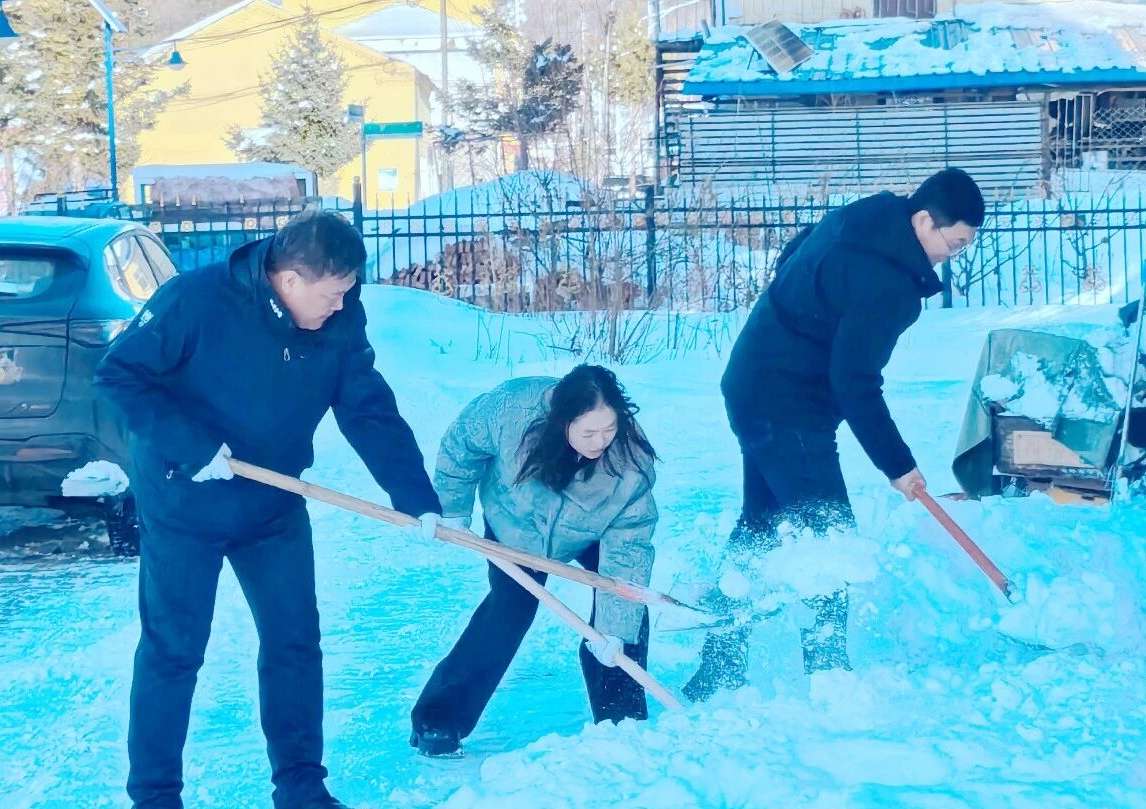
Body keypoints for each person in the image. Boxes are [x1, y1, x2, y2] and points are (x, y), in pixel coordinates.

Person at [95, 212, 443, 809]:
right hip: (184, 499)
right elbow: (119, 375)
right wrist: (190, 445)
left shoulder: (339, 315)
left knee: (294, 642)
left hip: (273, 501)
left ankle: (301, 792)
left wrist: (416, 498)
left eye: (346, 293)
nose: (340, 305)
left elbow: (366, 407)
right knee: (174, 651)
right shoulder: (196, 300)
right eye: (330, 294)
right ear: (288, 279)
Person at [683, 168, 985, 701]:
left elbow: (793, 254)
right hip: (786, 406)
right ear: (923, 220)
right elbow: (855, 381)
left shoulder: (867, 216)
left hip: (753, 381)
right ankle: (829, 679)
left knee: (763, 523)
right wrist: (898, 465)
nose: (952, 255)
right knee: (830, 539)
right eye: (955, 243)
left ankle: (720, 664)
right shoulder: (890, 285)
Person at [409, 366, 659, 758]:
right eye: (588, 433)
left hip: (590, 530)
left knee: (626, 607)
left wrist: (614, 630)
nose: (600, 441)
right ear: (562, 421)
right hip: (516, 527)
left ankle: (621, 720)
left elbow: (629, 546)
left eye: (609, 429)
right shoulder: (513, 410)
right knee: (508, 611)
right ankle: (439, 719)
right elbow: (462, 445)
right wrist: (451, 507)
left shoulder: (630, 462)